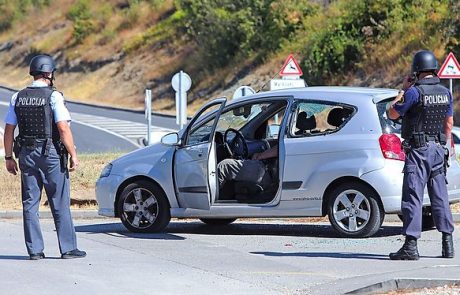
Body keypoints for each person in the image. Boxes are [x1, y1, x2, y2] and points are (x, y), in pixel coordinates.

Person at [3, 54, 86, 260]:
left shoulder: (18, 96)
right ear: (49, 73)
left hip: (26, 155)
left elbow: (8, 130)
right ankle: (68, 249)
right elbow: (63, 128)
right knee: (59, 201)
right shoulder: (53, 96)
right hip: (50, 154)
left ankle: (35, 251)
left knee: (30, 203)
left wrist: (8, 158)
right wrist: (73, 155)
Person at [386, 50, 454, 260]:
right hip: (437, 150)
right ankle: (448, 245)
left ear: (416, 70)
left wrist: (402, 91)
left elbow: (392, 113)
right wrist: (446, 149)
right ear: (434, 68)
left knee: (413, 197)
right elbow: (449, 124)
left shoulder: (414, 92)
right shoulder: (445, 92)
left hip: (418, 151)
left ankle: (411, 247)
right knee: (440, 197)